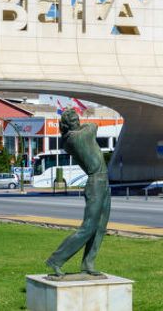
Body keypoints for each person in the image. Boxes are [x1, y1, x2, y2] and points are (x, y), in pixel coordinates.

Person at [45, 108, 111, 276]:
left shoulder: (73, 137)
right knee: (88, 227)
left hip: (103, 181)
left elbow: (90, 126)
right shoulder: (75, 138)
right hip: (96, 181)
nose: (77, 122)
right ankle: (56, 259)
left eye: (77, 119)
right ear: (67, 125)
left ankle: (88, 263)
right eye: (73, 121)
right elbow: (93, 126)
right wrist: (83, 126)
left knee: (100, 227)